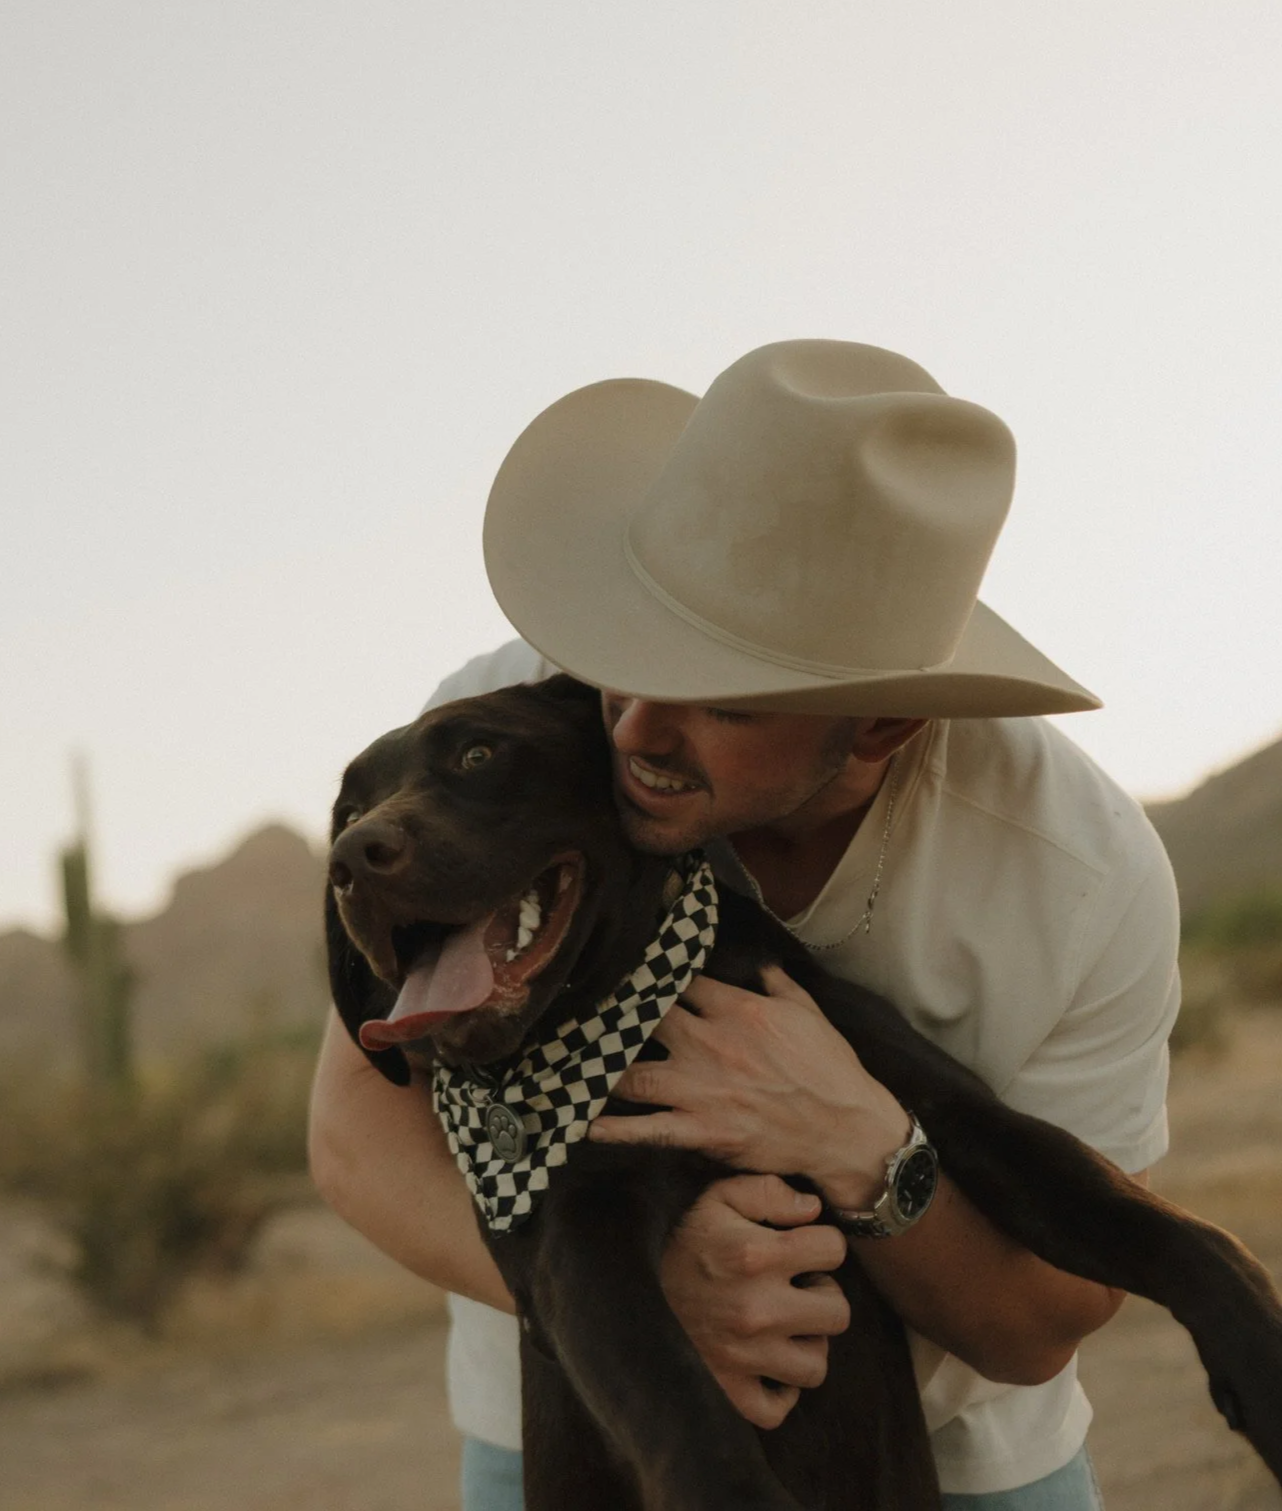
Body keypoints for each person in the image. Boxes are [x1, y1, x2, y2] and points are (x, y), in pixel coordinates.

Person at [309, 340, 1179, 1511]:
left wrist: (868, 1151)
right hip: (567, 1431)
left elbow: (1043, 1323)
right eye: (626, 657)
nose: (630, 730)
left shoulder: (1074, 875)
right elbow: (357, 1136)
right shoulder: (515, 720)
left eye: (720, 694)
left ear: (880, 727)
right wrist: (639, 1310)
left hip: (964, 1465)